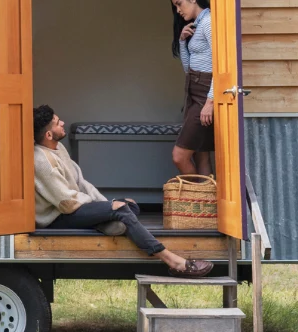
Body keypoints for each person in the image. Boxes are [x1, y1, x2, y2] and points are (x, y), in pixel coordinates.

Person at [33, 105, 214, 277]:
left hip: (75, 207)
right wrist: (109, 208)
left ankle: (107, 223)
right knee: (120, 210)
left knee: (129, 205)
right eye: (57, 123)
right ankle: (173, 261)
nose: (63, 123)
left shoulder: (58, 148)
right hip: (58, 217)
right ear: (49, 134)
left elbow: (81, 182)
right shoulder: (41, 160)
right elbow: (67, 202)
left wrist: (106, 206)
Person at [170, 0, 214, 177]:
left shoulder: (209, 22)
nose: (178, 10)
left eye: (179, 4)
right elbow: (188, 69)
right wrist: (182, 41)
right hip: (193, 91)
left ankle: (198, 200)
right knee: (200, 155)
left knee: (179, 156)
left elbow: (220, 65)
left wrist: (210, 101)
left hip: (205, 93)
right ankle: (207, 205)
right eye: (175, 6)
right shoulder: (195, 26)